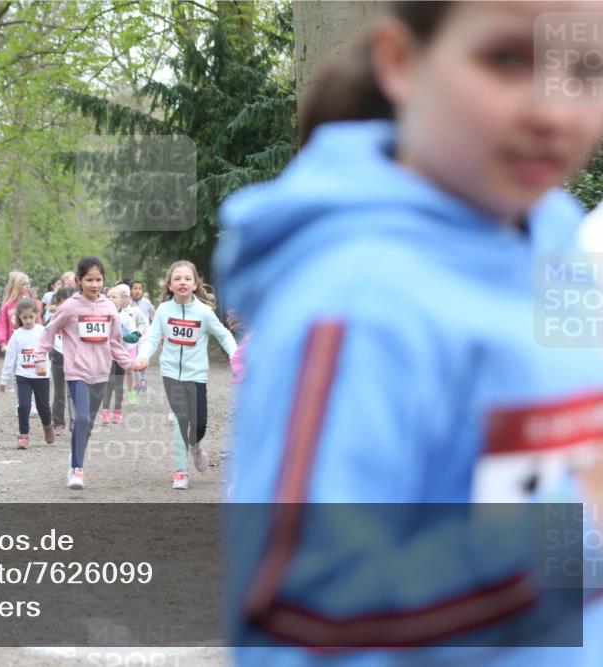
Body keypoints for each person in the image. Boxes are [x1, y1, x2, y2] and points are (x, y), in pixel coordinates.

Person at [214, 1, 603, 663]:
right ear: (402, 62)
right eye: (508, 58)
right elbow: (292, 618)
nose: (555, 110)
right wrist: (578, 534)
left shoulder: (559, 245)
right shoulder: (354, 298)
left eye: (590, 69)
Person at [35, 257, 135, 490]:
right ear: (79, 280)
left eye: (99, 279)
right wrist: (40, 358)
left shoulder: (109, 307)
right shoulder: (70, 307)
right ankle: (77, 469)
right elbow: (49, 331)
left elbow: (115, 341)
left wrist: (127, 364)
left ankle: (75, 455)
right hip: (77, 372)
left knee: (87, 423)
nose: (94, 284)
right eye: (89, 279)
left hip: (102, 372)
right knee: (81, 418)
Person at [135, 261, 237, 490]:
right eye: (177, 278)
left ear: (194, 285)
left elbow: (224, 335)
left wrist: (236, 357)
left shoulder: (204, 312)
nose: (182, 282)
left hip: (197, 375)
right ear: (170, 285)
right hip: (171, 373)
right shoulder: (163, 310)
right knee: (181, 419)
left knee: (199, 424)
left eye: (187, 278)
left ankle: (195, 446)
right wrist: (143, 356)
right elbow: (152, 338)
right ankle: (181, 472)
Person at [0, 298, 55, 449]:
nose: (28, 320)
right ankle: (23, 436)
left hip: (41, 376)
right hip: (23, 376)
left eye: (31, 317)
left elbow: (56, 344)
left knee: (43, 406)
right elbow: (10, 358)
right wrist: (4, 380)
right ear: (19, 317)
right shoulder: (17, 335)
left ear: (37, 315)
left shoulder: (43, 331)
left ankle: (48, 426)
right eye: (24, 318)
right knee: (23, 406)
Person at [100, 285, 142, 425]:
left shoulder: (126, 318)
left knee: (118, 384)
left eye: (114, 297)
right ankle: (105, 412)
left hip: (121, 356)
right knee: (108, 383)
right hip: (106, 356)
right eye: (109, 296)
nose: (111, 299)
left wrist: (124, 335)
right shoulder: (102, 316)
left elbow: (135, 336)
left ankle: (117, 412)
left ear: (122, 301)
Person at [47, 287, 74, 435]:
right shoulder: (52, 319)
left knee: (73, 391)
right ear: (57, 303)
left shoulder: (75, 318)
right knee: (59, 392)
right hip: (57, 359)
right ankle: (57, 421)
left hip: (74, 359)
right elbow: (45, 337)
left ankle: (74, 421)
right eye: (61, 303)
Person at [0, 270, 41, 352]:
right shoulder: (6, 306)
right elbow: (2, 325)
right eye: (24, 284)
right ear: (16, 286)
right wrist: (3, 344)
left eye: (28, 284)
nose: (27, 286)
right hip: (13, 345)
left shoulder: (30, 302)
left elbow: (38, 321)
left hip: (30, 343)